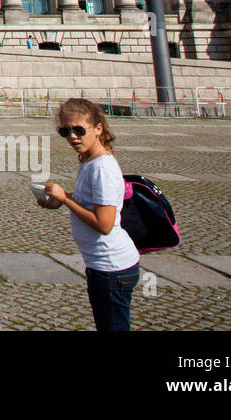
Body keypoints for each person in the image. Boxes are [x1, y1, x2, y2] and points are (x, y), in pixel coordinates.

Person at [38, 97, 141, 332]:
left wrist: (66, 198)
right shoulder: (90, 161)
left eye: (79, 130)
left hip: (112, 268)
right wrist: (62, 202)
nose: (73, 136)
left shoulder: (102, 168)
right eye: (65, 131)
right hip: (102, 266)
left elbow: (104, 224)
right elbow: (92, 203)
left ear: (98, 129)